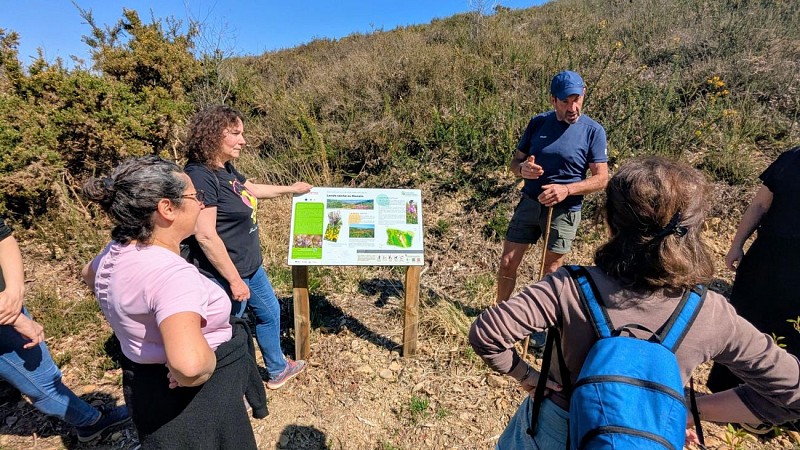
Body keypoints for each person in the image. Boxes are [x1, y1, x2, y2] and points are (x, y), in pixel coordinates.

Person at [470, 156, 800, 449]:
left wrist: (525, 375)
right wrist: (691, 408)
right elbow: (793, 393)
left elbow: (486, 334)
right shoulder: (710, 313)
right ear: (693, 231)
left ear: (611, 224)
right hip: (651, 433)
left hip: (555, 426)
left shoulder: (568, 287)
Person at [82, 156, 267, 449]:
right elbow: (190, 366)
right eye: (196, 196)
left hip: (147, 390)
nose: (202, 205)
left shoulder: (115, 251)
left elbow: (89, 274)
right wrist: (202, 367)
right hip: (196, 403)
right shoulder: (172, 275)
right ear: (167, 208)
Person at [182, 105, 312, 390]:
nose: (243, 140)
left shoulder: (224, 167)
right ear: (215, 135)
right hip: (223, 276)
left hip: (250, 267)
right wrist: (234, 280)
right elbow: (205, 235)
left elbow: (250, 189)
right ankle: (226, 391)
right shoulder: (201, 175)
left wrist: (291, 189)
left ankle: (277, 369)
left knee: (269, 313)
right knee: (227, 334)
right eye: (236, 134)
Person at [0, 217, 129, 442]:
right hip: (6, 317)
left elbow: (3, 237)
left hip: (7, 305)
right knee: (43, 382)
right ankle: (90, 421)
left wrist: (14, 293)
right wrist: (15, 319)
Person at [497, 70, 609, 304]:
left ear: (584, 94)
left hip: (564, 210)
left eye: (577, 99)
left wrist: (566, 190)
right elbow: (515, 162)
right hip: (529, 203)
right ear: (553, 100)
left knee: (550, 270)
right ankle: (500, 315)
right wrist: (522, 170)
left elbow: (601, 178)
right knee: (507, 262)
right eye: (565, 101)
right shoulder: (538, 123)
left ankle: (541, 328)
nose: (572, 108)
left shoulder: (593, 131)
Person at [706, 146, 800, 425]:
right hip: (766, 259)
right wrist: (736, 245)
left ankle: (783, 411)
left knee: (790, 335)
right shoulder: (791, 158)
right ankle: (725, 401)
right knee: (746, 325)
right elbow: (760, 204)